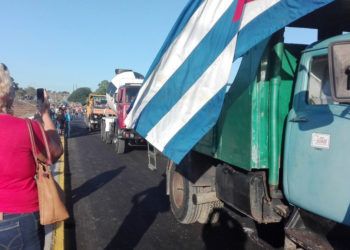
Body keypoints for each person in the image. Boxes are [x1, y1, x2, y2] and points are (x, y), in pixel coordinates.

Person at [0, 63, 63, 249]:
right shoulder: (26, 128)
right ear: (7, 93)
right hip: (19, 216)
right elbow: (55, 151)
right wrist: (44, 114)